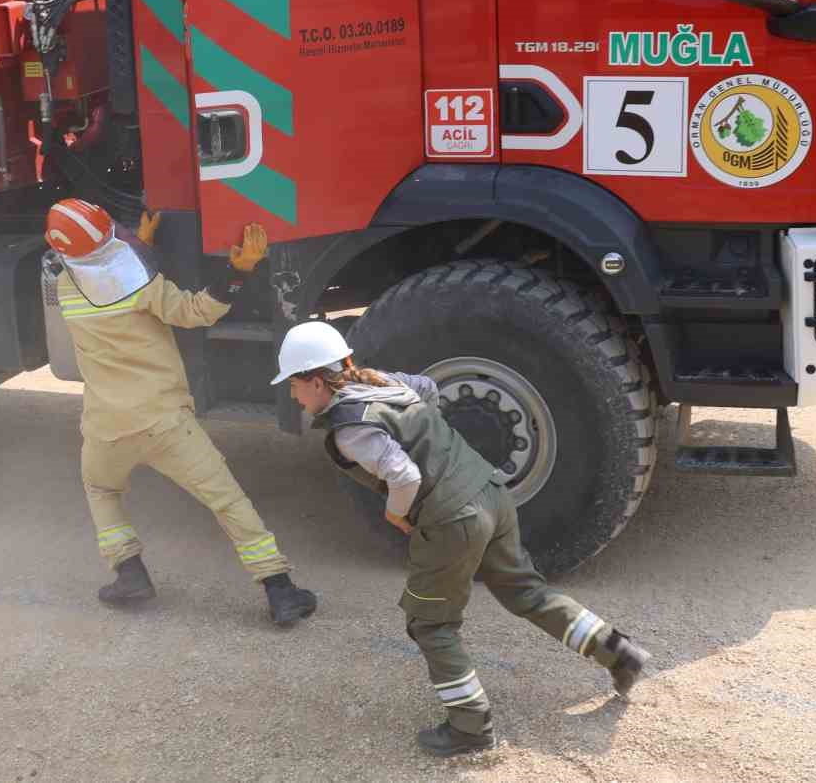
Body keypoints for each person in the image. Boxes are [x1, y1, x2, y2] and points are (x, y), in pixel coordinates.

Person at [272, 320, 650, 756]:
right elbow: (430, 389)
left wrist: (395, 513)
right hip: (489, 491)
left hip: (452, 518)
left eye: (294, 386)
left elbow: (403, 474)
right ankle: (619, 653)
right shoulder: (384, 384)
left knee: (430, 623)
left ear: (316, 381)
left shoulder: (349, 426)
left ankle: (471, 727)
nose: (293, 395)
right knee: (526, 591)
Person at [47, 198, 318, 626]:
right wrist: (239, 271)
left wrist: (142, 245)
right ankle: (279, 589)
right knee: (226, 500)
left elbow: (99, 268)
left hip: (105, 428)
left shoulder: (65, 287)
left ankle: (130, 573)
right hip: (164, 422)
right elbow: (197, 312)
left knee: (102, 490)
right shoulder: (143, 286)